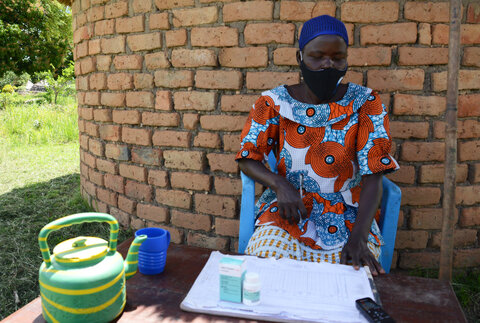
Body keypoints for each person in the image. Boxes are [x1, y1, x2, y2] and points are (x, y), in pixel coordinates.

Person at [235, 15, 399, 276]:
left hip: (349, 218)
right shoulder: (273, 103)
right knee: (266, 268)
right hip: (288, 212)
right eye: (318, 56)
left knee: (351, 282)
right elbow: (247, 157)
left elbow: (373, 176)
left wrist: (357, 239)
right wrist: (281, 185)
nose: (327, 64)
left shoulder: (366, 103)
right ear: (300, 58)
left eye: (337, 57)